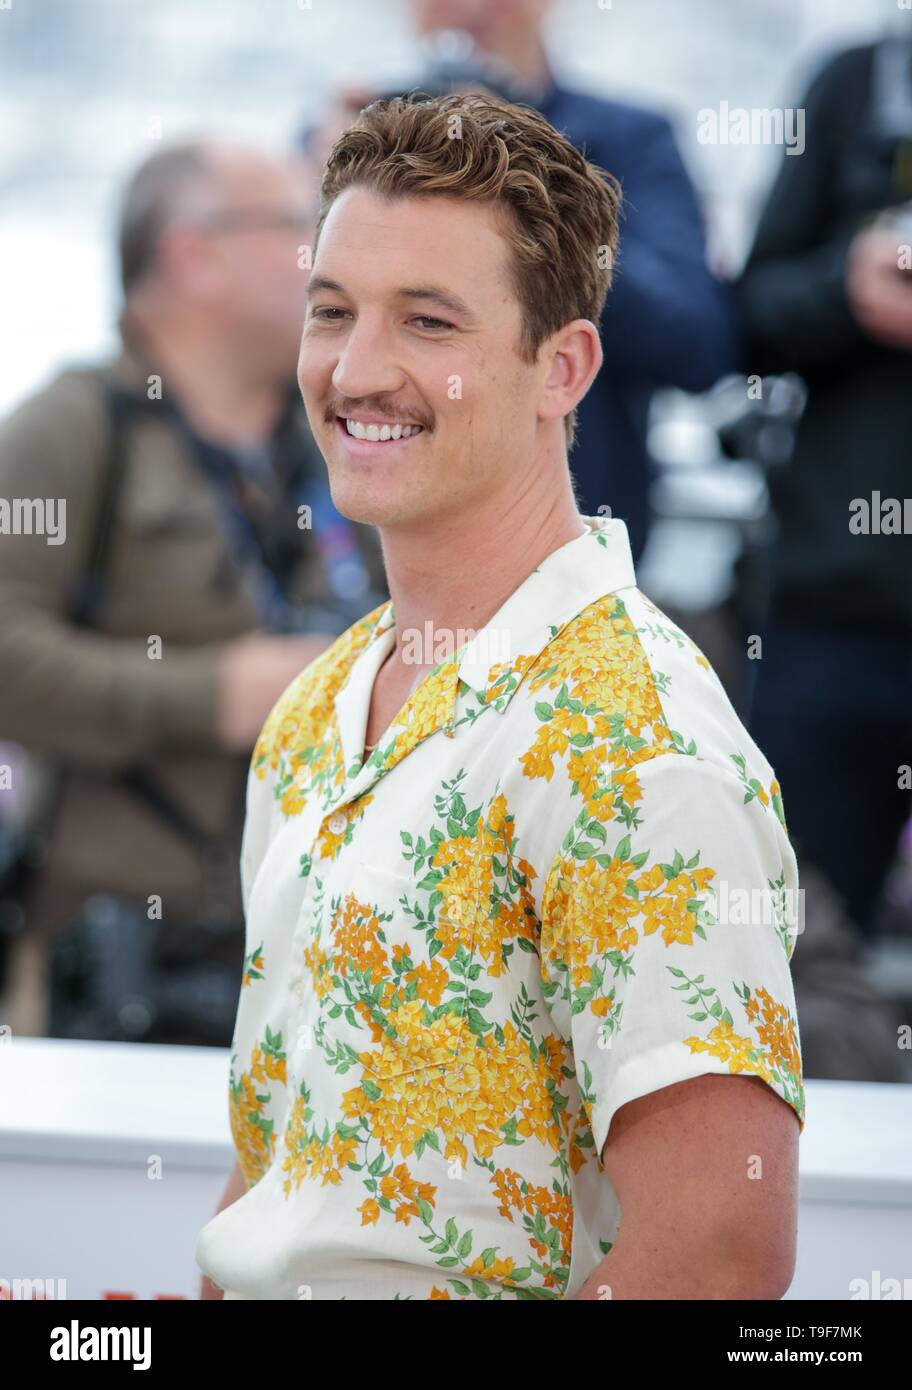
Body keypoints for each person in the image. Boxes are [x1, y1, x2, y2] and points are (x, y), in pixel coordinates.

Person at [195, 92, 804, 1301]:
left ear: (562, 367)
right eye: (332, 313)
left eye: (428, 322)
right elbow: (278, 1181)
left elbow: (720, 1255)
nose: (358, 370)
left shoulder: (636, 742)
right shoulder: (321, 706)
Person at [0, 140, 387, 1040]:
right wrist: (214, 696)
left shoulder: (341, 426)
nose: (323, 251)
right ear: (191, 256)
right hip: (121, 958)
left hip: (330, 951)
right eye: (297, 224)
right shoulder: (70, 431)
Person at [299, 0, 740, 561]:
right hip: (367, 566)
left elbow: (698, 347)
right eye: (336, 312)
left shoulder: (630, 139)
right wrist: (323, 191)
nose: (465, 5)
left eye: (429, 319)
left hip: (574, 545)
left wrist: (533, 195)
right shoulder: (352, 131)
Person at [737, 35, 912, 941]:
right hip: (835, 619)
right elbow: (742, 319)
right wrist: (848, 288)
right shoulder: (856, 84)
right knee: (785, 942)